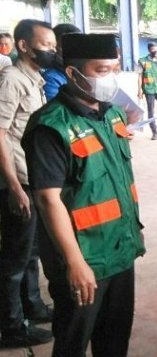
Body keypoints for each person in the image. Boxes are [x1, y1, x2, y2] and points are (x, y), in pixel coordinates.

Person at [23, 33, 145, 357]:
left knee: (115, 341)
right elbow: (48, 199)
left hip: (119, 249)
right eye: (101, 70)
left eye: (114, 69)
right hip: (84, 258)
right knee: (73, 342)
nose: (111, 78)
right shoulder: (51, 127)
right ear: (73, 73)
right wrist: (75, 262)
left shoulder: (113, 115)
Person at [0, 19, 56, 347]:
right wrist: (14, 187)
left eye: (52, 45)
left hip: (32, 177)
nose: (51, 51)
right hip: (17, 181)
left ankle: (32, 306)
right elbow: (0, 134)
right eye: (45, 44)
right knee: (15, 258)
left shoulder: (34, 79)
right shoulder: (11, 80)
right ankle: (11, 327)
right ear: (23, 46)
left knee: (31, 251)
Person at [43, 24, 83, 101]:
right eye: (67, 47)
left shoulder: (83, 73)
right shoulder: (51, 78)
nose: (74, 51)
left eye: (77, 47)